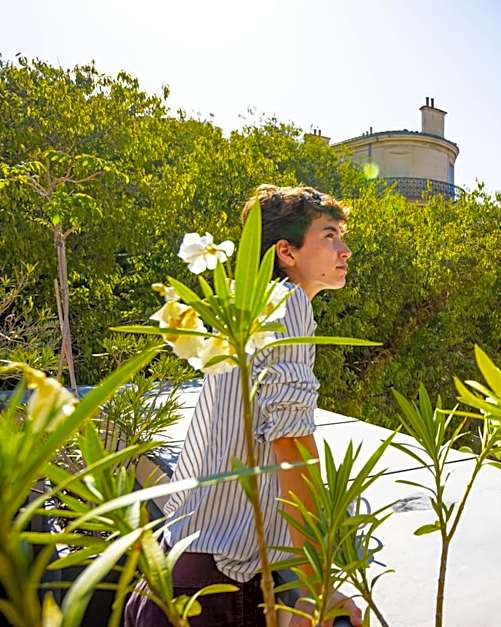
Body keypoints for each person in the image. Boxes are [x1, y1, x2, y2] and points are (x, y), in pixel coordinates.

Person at [125, 185, 360, 627]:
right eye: (329, 236)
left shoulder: (249, 310)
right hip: (212, 595)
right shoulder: (288, 306)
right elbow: (291, 448)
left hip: (183, 579)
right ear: (286, 252)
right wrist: (317, 586)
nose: (344, 250)